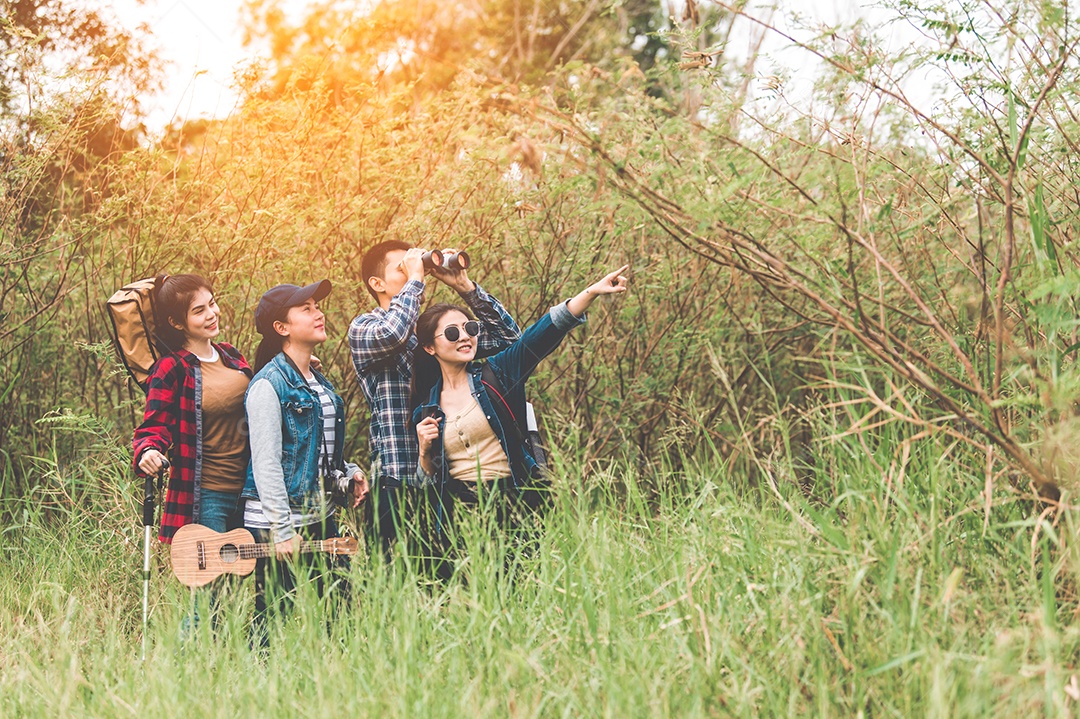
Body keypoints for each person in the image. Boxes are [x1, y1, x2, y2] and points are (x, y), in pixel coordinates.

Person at [411, 265, 628, 549]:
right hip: (460, 519)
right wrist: (425, 454)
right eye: (452, 333)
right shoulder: (426, 410)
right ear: (430, 347)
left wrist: (590, 293)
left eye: (470, 328)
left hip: (514, 506)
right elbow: (425, 488)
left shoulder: (497, 373)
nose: (465, 337)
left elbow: (539, 336)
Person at [348, 240, 520, 559]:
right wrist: (415, 280)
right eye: (402, 267)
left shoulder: (439, 338)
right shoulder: (364, 328)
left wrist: (465, 287)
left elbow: (510, 339)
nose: (417, 272)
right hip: (397, 478)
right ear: (377, 284)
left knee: (449, 584)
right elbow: (393, 334)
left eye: (418, 265)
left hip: (446, 481)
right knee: (397, 586)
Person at [242, 280, 369, 643]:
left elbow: (320, 450)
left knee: (341, 607)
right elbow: (265, 462)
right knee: (274, 613)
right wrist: (282, 531)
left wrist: (351, 472)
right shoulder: (268, 385)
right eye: (307, 308)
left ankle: (333, 684)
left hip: (320, 514)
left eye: (317, 305)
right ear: (281, 328)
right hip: (279, 522)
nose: (319, 313)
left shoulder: (317, 381)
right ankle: (257, 684)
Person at [132, 273, 253, 631]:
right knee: (210, 593)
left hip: (248, 492)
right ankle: (185, 667)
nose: (212, 314)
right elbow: (152, 426)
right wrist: (147, 452)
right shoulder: (172, 369)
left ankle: (223, 668)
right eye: (199, 311)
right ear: (176, 322)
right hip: (207, 496)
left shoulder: (231, 356)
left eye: (212, 303)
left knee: (242, 586)